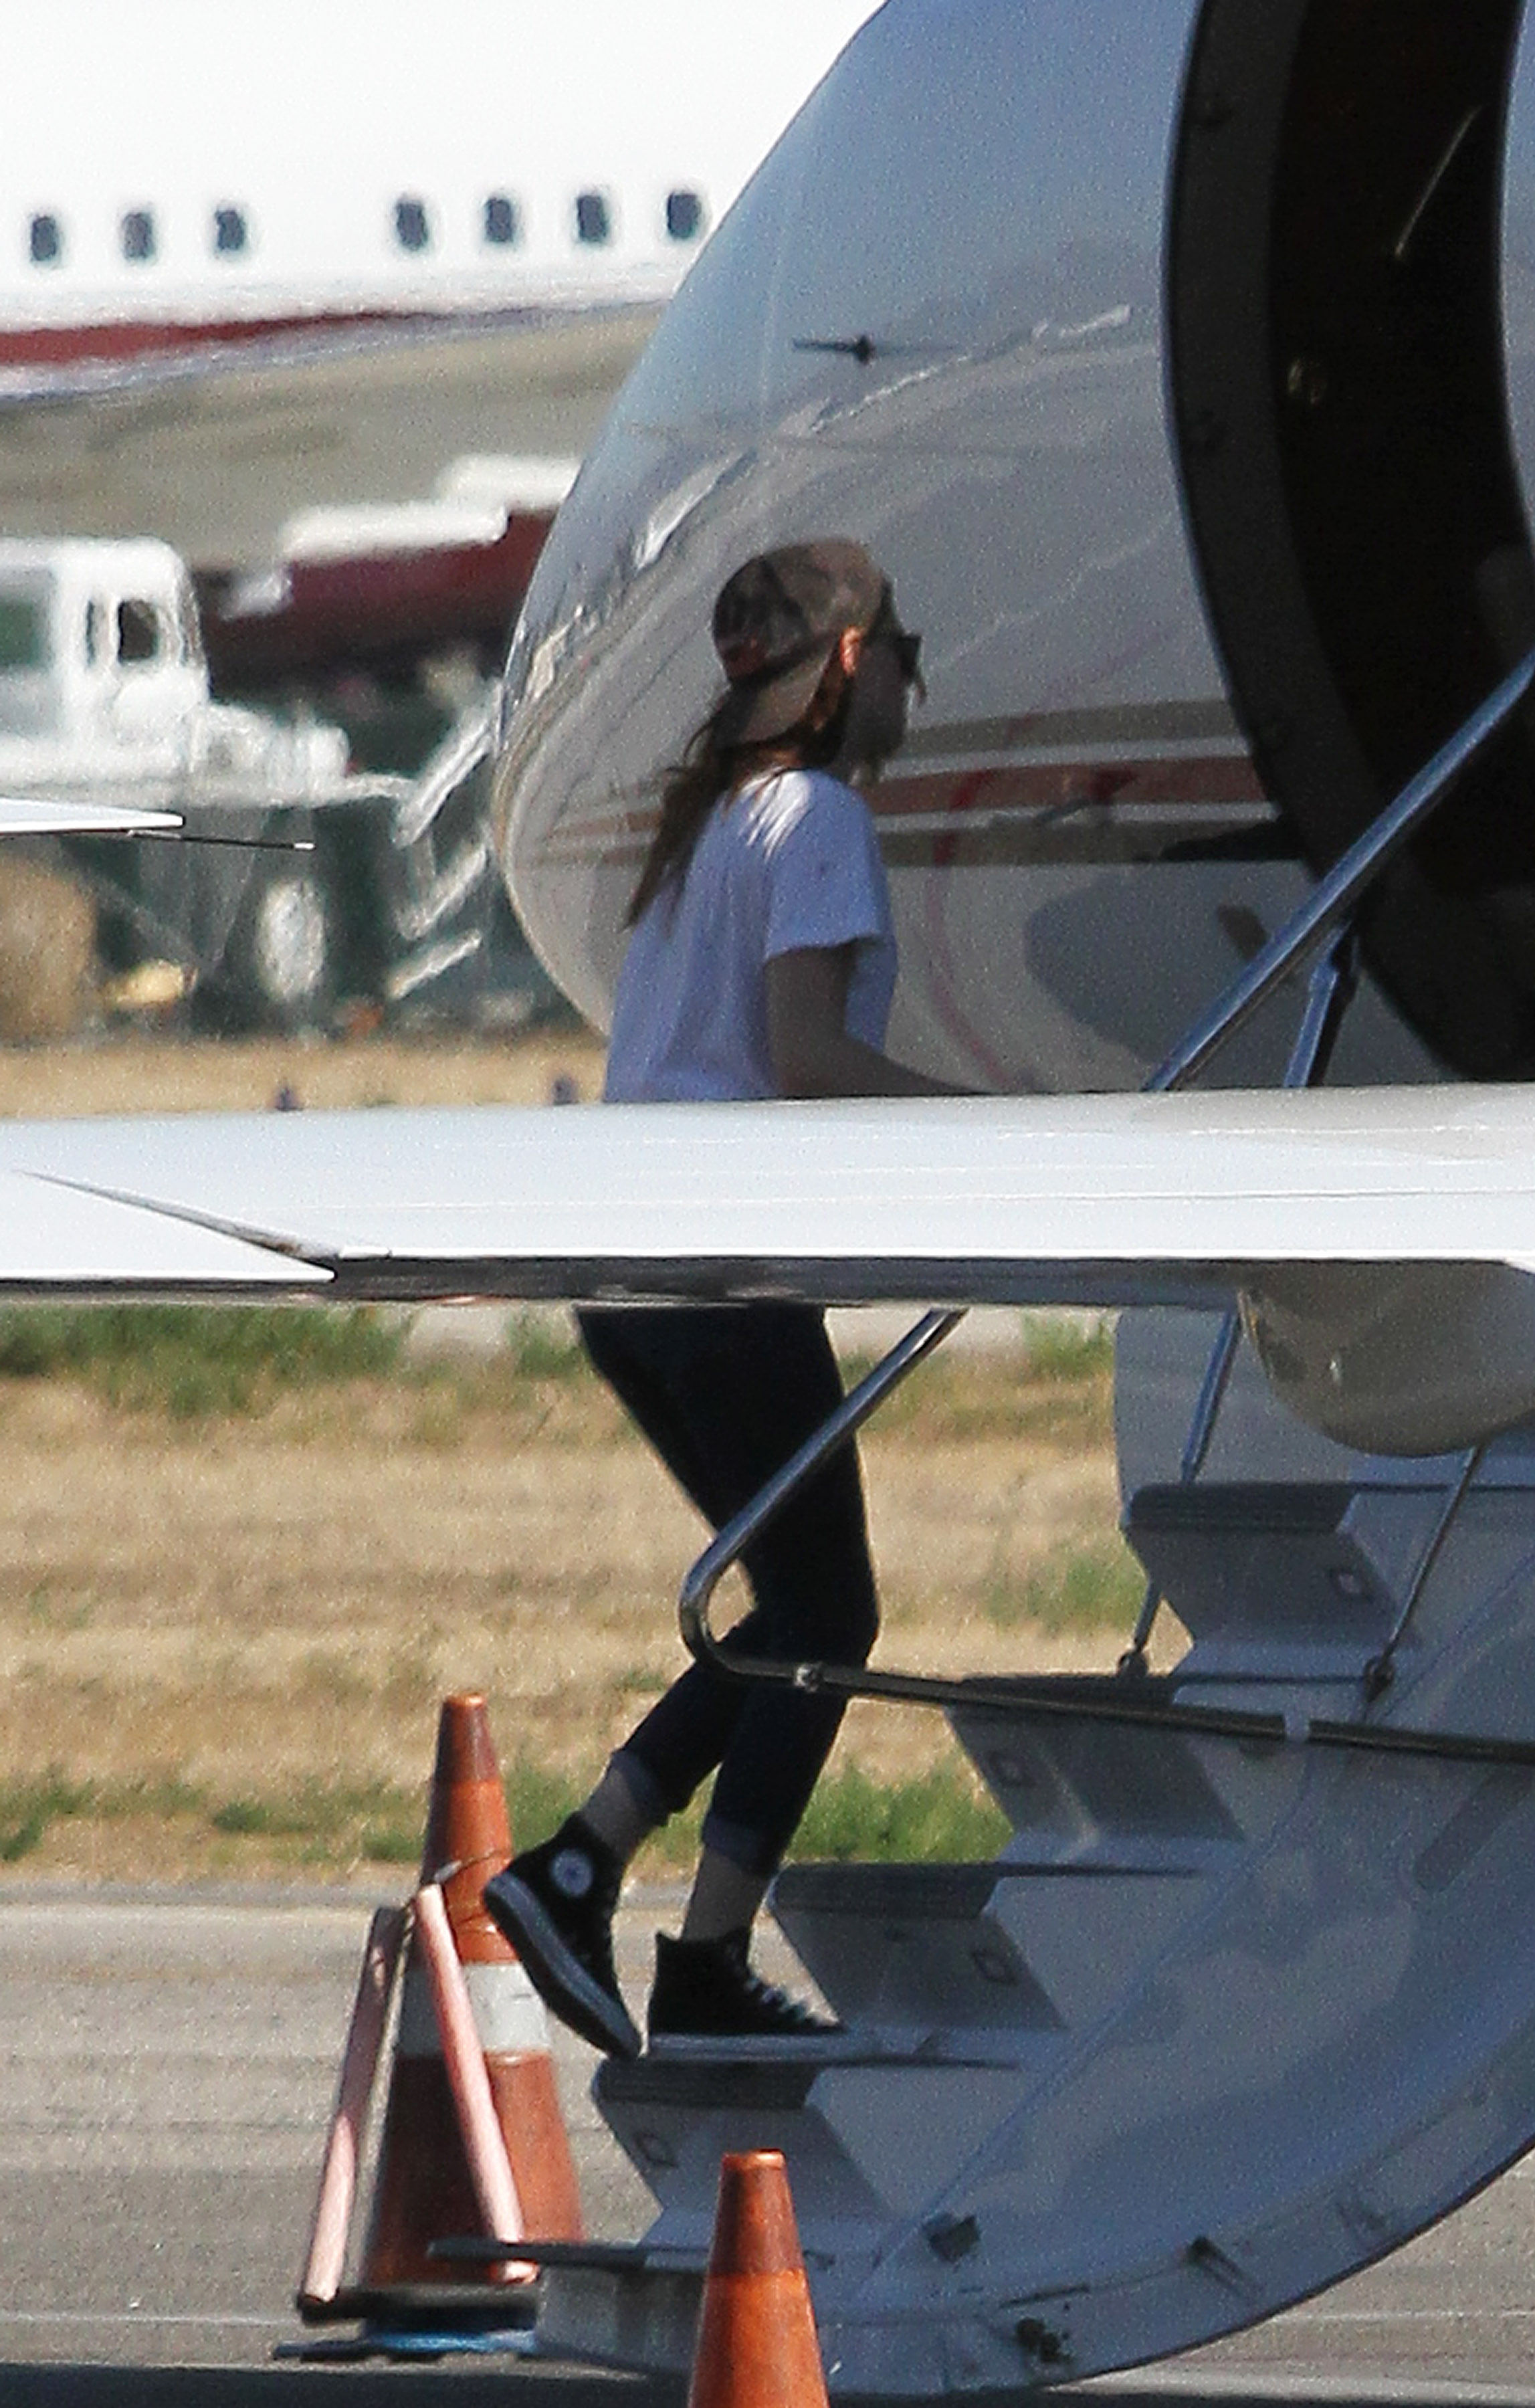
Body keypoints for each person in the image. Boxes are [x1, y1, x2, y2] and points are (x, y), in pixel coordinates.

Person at [485, 538, 954, 2055]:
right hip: (720, 1271)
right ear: (848, 663)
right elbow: (804, 1059)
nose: (911, 685)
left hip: (628, 1272)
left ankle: (616, 1893)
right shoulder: (817, 819)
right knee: (827, 1610)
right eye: (902, 653)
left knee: (802, 1605)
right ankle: (626, 1905)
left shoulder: (706, 826)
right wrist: (998, 1132)